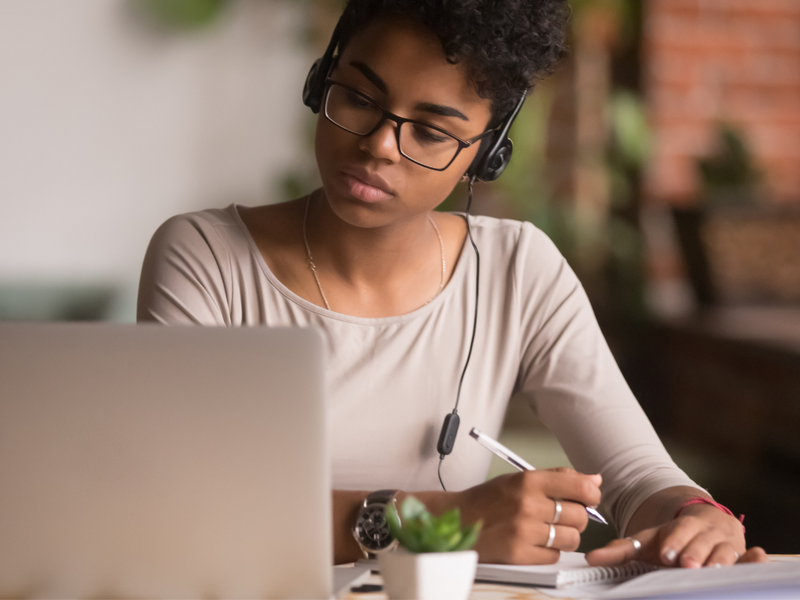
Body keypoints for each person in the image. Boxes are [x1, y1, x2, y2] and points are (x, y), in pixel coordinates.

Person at [137, 0, 766, 568]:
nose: (381, 146)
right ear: (320, 81)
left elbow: (635, 474)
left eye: (432, 132)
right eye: (357, 98)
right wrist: (441, 522)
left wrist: (695, 517)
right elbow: (176, 504)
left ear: (486, 154)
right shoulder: (207, 257)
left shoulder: (518, 269)